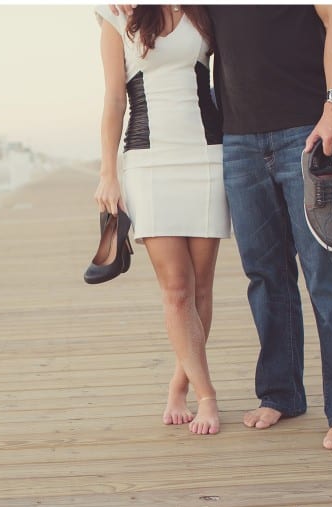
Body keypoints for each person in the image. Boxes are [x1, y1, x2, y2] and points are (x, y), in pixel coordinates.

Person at [113, 5, 332, 451]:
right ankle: (282, 393)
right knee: (265, 275)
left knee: (329, 274)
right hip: (236, 141)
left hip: (307, 135)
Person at [93, 4, 231, 436]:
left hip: (206, 157)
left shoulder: (206, 12)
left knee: (201, 288)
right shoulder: (119, 15)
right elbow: (115, 98)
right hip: (149, 163)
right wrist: (108, 174)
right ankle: (207, 394)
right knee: (176, 290)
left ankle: (179, 384)